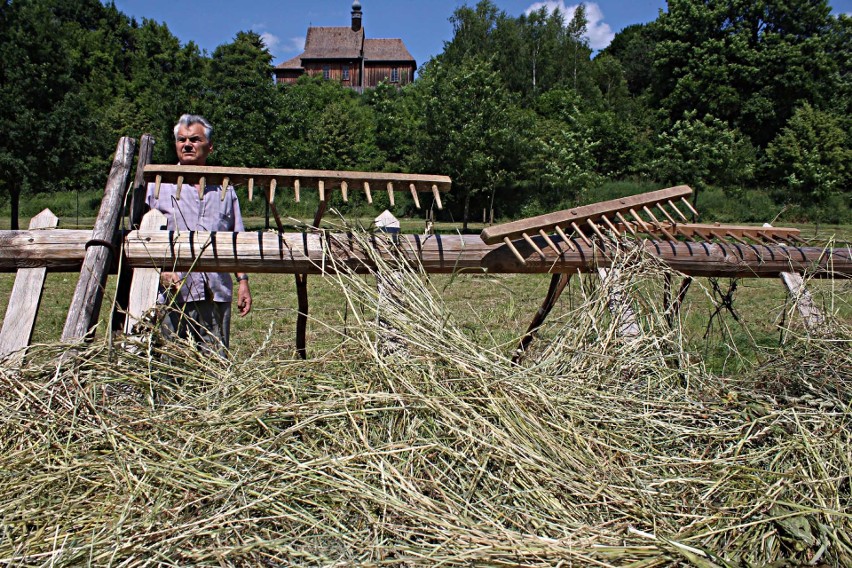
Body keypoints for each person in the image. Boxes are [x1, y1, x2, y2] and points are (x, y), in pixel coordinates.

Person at [146, 114, 252, 355]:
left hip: (216, 290)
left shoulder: (224, 189)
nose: (187, 144)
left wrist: (243, 281)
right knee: (172, 363)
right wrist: (161, 271)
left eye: (195, 139)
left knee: (215, 361)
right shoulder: (158, 187)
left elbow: (237, 238)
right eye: (181, 139)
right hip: (173, 294)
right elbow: (143, 237)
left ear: (209, 146)